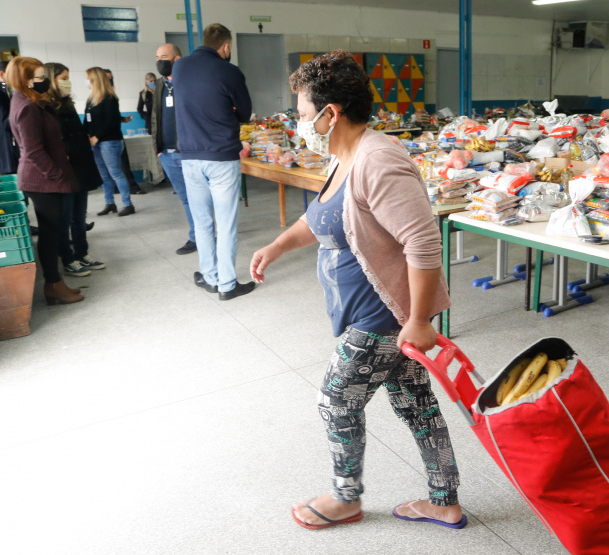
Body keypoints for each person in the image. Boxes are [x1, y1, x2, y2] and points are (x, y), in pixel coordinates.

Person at [250, 50, 465, 531]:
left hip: (384, 317)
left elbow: (423, 241)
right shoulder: (343, 156)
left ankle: (345, 498)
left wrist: (418, 320)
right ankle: (444, 500)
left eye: (303, 114)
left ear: (331, 113)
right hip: (381, 314)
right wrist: (278, 246)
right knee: (415, 404)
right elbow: (322, 219)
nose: (299, 123)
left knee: (336, 400)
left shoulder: (377, 160)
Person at [174, 24, 254, 300]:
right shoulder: (229, 71)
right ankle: (227, 285)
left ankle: (210, 277)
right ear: (226, 46)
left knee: (202, 222)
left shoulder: (179, 67)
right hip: (221, 157)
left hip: (189, 157)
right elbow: (245, 113)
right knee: (226, 222)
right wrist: (229, 108)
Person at [6, 57, 83, 305]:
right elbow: (33, 151)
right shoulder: (27, 107)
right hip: (42, 180)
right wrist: (57, 176)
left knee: (54, 232)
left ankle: (56, 283)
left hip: (44, 178)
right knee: (50, 235)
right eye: (40, 77)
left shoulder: (31, 101)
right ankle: (53, 285)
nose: (45, 81)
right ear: (26, 80)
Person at [44, 62, 106, 278]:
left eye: (68, 77)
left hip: (80, 165)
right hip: (64, 168)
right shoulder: (45, 105)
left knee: (79, 216)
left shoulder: (66, 102)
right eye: (63, 78)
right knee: (65, 217)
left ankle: (82, 252)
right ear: (51, 79)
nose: (67, 82)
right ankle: (68, 258)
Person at [152, 44, 196, 255]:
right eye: (157, 57)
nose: (159, 61)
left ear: (177, 59)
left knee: (200, 198)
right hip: (167, 154)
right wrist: (157, 148)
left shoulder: (190, 82)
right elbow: (155, 117)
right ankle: (196, 237)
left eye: (164, 57)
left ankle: (205, 235)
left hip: (189, 152)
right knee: (186, 199)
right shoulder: (159, 85)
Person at [84, 66, 136, 217]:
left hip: (110, 141)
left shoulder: (109, 98)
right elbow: (87, 120)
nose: (86, 81)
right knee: (104, 175)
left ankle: (128, 204)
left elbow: (111, 121)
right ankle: (109, 203)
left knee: (116, 173)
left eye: (88, 78)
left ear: (95, 79)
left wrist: (97, 136)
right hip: (96, 143)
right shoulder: (91, 99)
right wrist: (86, 135)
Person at [104, 68, 146, 195]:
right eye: (108, 78)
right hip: (108, 136)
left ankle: (126, 187)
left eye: (111, 78)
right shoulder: (104, 96)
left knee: (121, 163)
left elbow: (112, 116)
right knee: (118, 163)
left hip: (114, 134)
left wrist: (123, 119)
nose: (110, 80)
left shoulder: (110, 95)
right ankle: (129, 187)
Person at [0, 60, 19, 174]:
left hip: (10, 141)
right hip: (4, 142)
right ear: (2, 74)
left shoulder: (4, 88)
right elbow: (2, 120)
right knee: (12, 174)